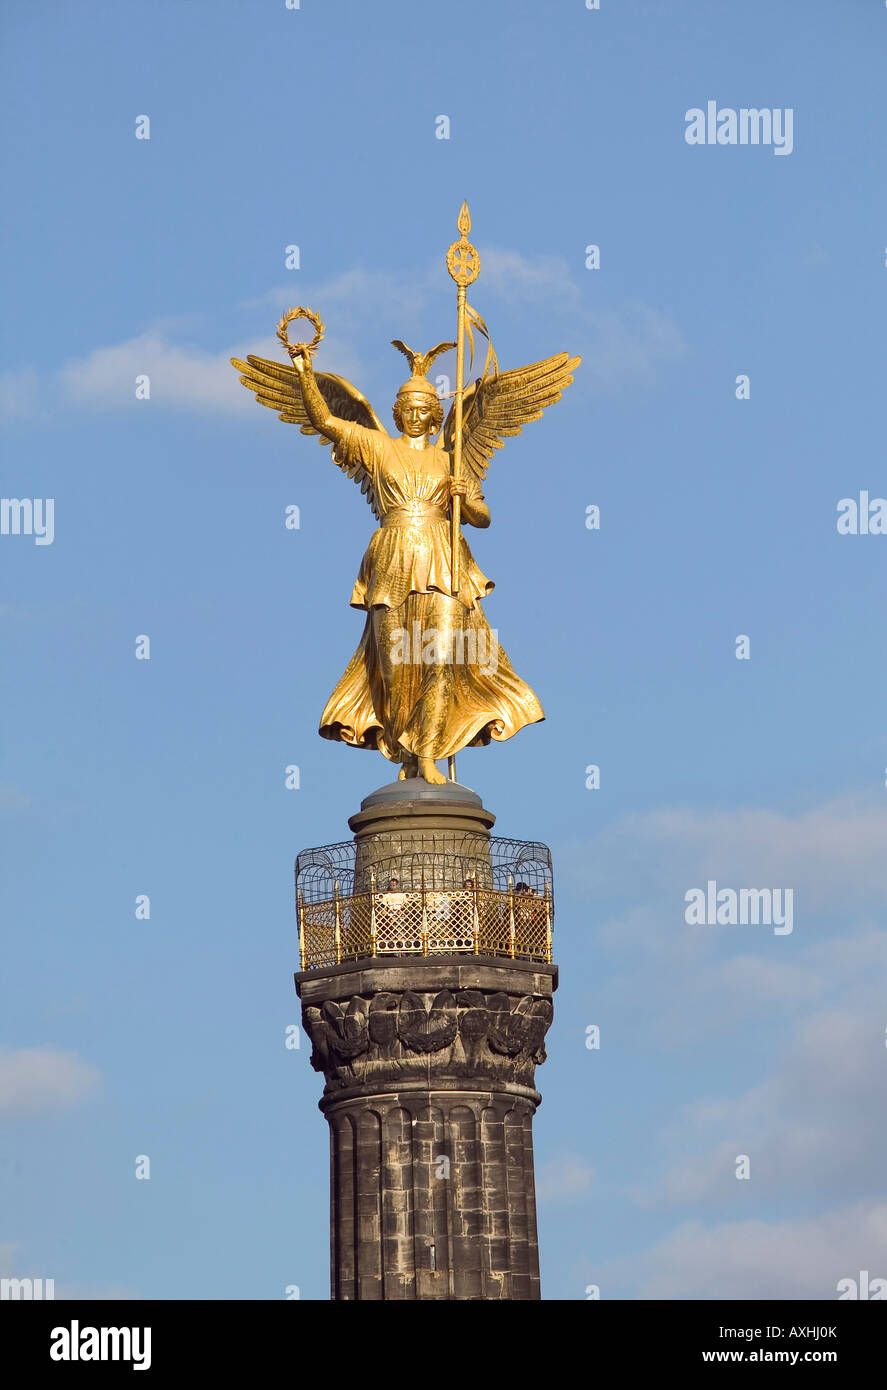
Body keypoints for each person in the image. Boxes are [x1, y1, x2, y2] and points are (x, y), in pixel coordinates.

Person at [288, 344, 544, 785]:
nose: (414, 414)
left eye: (424, 407)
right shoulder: (375, 446)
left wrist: (465, 497)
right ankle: (406, 751)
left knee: (442, 657)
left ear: (434, 415)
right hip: (392, 559)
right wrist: (305, 373)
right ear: (396, 412)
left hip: (444, 559)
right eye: (407, 407)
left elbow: (483, 518)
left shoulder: (451, 458)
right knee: (396, 667)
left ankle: (428, 752)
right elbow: (325, 421)